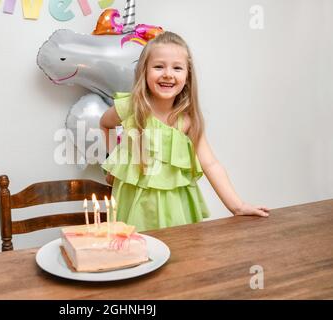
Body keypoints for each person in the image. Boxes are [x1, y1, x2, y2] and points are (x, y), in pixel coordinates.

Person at [100, 31, 269, 232]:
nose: (168, 74)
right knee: (135, 253)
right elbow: (105, 124)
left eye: (177, 68)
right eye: (158, 66)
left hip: (175, 208)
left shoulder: (187, 119)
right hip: (134, 205)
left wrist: (237, 206)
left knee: (180, 256)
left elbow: (211, 163)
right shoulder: (130, 107)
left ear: (187, 76)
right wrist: (114, 164)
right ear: (144, 71)